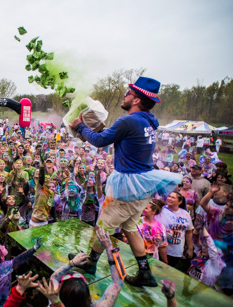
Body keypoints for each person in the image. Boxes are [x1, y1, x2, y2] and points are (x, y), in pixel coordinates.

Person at [69, 76, 181, 287]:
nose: (124, 95)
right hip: (143, 185)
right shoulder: (148, 120)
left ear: (137, 99)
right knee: (130, 227)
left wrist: (80, 127)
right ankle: (145, 273)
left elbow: (100, 141)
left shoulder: (129, 120)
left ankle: (91, 263)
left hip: (128, 187)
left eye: (128, 93)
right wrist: (95, 128)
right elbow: (117, 136)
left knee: (103, 226)